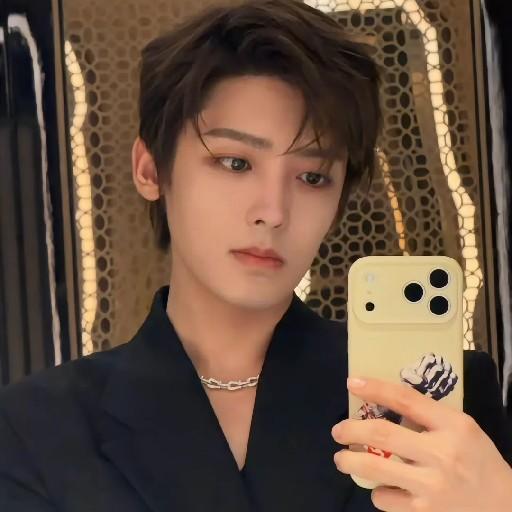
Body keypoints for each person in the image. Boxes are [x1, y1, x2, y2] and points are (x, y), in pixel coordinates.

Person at [1, 1, 511, 510]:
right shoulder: (35, 430)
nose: (273, 211)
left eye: (312, 177)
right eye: (235, 163)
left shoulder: (443, 401)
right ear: (151, 170)